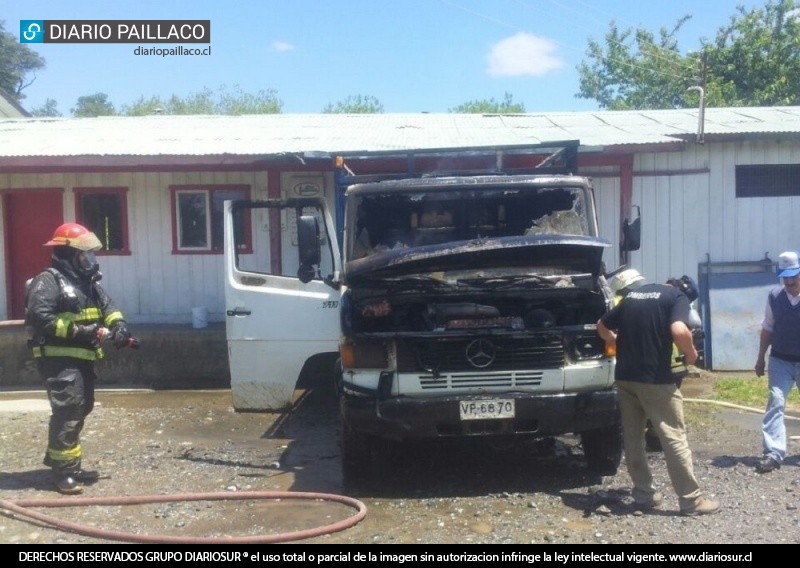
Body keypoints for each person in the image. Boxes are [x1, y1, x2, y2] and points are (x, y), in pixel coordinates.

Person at [597, 270, 720, 516]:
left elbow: (601, 326)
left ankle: (643, 494)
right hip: (656, 379)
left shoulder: (634, 295)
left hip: (625, 378)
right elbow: (679, 330)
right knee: (673, 437)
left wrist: (616, 341)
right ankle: (691, 501)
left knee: (633, 437)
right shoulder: (676, 298)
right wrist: (692, 354)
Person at [26, 222, 134, 494]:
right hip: (58, 358)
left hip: (82, 357)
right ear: (66, 254)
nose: (89, 261)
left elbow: (109, 308)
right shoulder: (49, 280)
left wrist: (119, 328)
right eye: (83, 255)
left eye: (90, 256)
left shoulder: (87, 284)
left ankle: (67, 464)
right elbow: (40, 317)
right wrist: (79, 331)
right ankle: (63, 473)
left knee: (82, 407)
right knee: (68, 410)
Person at [753, 251, 800, 474]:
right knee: (775, 403)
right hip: (780, 359)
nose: (789, 281)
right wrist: (760, 357)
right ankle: (773, 453)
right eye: (785, 277)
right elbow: (768, 328)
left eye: (793, 276)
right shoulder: (774, 296)